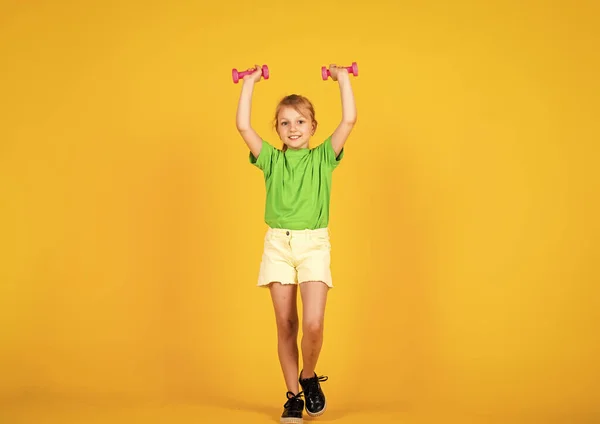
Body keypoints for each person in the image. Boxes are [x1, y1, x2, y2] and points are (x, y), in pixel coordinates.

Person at [235, 63, 357, 424]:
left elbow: (349, 119)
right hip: (277, 245)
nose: (293, 129)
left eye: (300, 122)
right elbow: (243, 125)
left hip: (313, 244)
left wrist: (342, 77)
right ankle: (293, 397)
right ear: (277, 129)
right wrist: (250, 82)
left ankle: (308, 375)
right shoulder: (271, 160)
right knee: (286, 325)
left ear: (313, 127)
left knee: (314, 324)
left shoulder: (323, 158)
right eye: (285, 123)